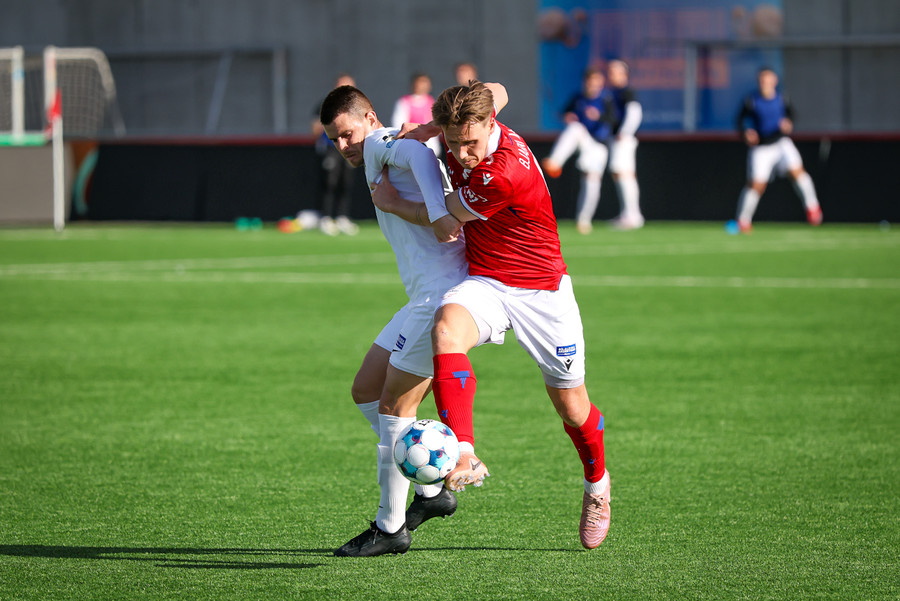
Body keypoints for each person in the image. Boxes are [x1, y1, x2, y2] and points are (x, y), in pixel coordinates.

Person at [391, 81, 610, 549]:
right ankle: (463, 451)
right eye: (453, 142)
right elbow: (499, 88)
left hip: (542, 292)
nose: (462, 153)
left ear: (491, 124)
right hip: (487, 281)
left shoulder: (501, 173)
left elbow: (445, 220)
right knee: (446, 328)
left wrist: (392, 204)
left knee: (573, 409)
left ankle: (597, 485)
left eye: (470, 142)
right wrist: (429, 129)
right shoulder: (476, 115)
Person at [319, 82, 508, 557]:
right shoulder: (384, 146)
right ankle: (431, 491)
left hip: (441, 298)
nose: (343, 145)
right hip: (423, 296)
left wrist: (438, 211)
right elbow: (421, 149)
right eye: (334, 139)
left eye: (347, 133)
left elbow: (419, 156)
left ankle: (390, 528)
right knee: (366, 390)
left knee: (393, 408)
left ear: (370, 118)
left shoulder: (381, 143)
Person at [732, 66, 822, 233]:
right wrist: (746, 133)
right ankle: (743, 220)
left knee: (797, 172)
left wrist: (788, 123)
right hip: (761, 148)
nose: (765, 83)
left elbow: (791, 115)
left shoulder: (782, 98)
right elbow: (740, 121)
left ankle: (813, 209)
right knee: (756, 185)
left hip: (781, 143)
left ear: (774, 81)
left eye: (768, 80)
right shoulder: (751, 100)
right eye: (762, 80)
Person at [540, 66, 614, 234]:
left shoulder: (606, 99)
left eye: (596, 82)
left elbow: (613, 121)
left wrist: (599, 116)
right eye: (590, 82)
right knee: (575, 128)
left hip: (598, 146)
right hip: (582, 140)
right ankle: (554, 162)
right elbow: (563, 113)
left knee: (591, 181)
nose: (593, 85)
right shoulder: (578, 98)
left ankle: (584, 220)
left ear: (601, 83)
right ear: (585, 82)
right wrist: (567, 116)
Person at [310, 73, 360, 236]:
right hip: (332, 148)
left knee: (346, 182)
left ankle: (342, 217)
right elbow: (315, 129)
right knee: (329, 181)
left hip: (350, 148)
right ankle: (325, 217)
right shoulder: (326, 105)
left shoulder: (357, 107)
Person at [607, 60, 645, 230]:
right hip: (617, 138)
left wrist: (624, 132)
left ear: (624, 74)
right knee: (622, 174)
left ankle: (632, 215)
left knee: (623, 173)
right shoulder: (613, 93)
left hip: (623, 139)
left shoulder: (627, 92)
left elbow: (635, 113)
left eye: (614, 72)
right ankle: (629, 214)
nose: (611, 75)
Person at [392, 72, 441, 156]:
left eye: (425, 82)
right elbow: (398, 125)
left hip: (432, 149)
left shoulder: (432, 102)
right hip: (410, 148)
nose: (423, 85)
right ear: (413, 84)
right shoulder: (404, 102)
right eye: (420, 82)